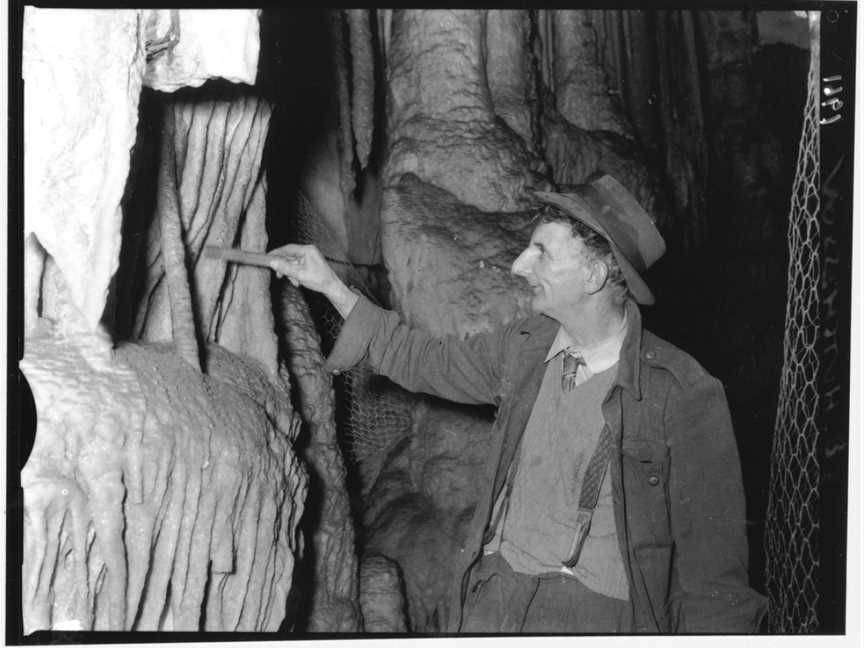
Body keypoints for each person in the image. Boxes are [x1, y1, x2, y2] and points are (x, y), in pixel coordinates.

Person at [268, 174, 768, 634]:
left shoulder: (680, 393)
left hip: (594, 620)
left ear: (595, 274)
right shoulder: (526, 347)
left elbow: (714, 584)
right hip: (492, 600)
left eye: (541, 253)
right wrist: (330, 285)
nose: (517, 265)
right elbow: (424, 360)